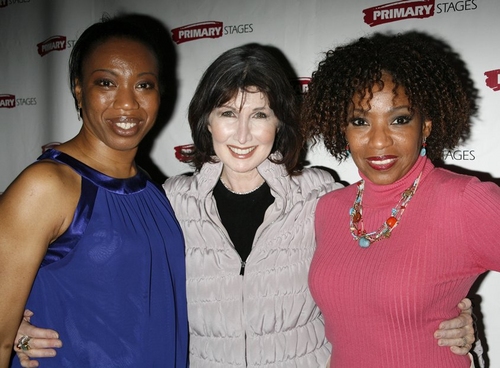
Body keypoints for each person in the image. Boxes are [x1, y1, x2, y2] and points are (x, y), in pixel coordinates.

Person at [13, 44, 474, 368]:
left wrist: (455, 310)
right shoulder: (168, 200)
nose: (241, 134)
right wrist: (20, 325)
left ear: (280, 123)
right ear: (206, 121)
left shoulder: (320, 196)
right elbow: (105, 282)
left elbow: (392, 267)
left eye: (260, 115)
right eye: (228, 114)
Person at [0, 14, 188, 368]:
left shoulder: (150, 188)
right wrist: (16, 338)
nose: (128, 103)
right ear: (78, 89)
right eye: (107, 82)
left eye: (144, 85)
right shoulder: (48, 185)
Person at [303, 31, 497, 368]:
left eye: (400, 119)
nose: (378, 141)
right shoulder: (330, 209)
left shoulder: (464, 200)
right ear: (343, 130)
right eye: (360, 121)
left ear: (425, 126)